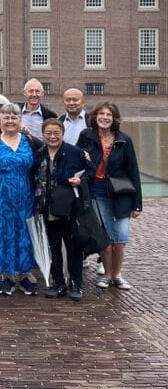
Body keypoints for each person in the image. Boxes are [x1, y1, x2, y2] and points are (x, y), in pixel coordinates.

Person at [0, 103, 43, 296]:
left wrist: (80, 155)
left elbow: (50, 153)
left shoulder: (30, 141)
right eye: (6, 118)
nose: (10, 121)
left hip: (26, 198)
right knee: (3, 234)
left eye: (14, 117)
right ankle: (6, 276)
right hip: (0, 198)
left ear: (20, 120)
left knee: (24, 235)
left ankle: (24, 275)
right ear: (0, 120)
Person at [76, 102, 142, 291]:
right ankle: (106, 274)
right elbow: (74, 156)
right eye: (101, 114)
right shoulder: (86, 136)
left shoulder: (124, 140)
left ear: (114, 119)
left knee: (120, 237)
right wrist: (83, 158)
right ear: (95, 117)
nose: (105, 117)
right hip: (96, 191)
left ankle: (117, 275)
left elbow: (134, 171)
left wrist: (137, 204)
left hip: (120, 193)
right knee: (105, 235)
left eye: (109, 115)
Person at [35, 118, 91, 301]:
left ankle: (75, 282)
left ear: (62, 134)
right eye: (48, 133)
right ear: (43, 134)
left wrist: (80, 181)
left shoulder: (74, 152)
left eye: (56, 133)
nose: (52, 137)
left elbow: (92, 172)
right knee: (54, 248)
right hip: (48, 209)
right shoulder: (39, 154)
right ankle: (58, 282)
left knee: (73, 247)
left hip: (69, 209)